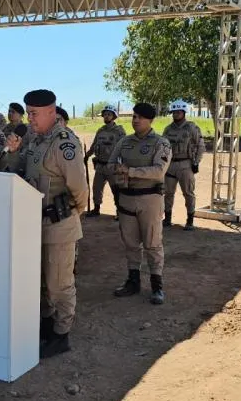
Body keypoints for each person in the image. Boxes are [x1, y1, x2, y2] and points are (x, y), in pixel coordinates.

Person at [4, 89, 88, 358]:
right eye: (28, 113)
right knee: (40, 280)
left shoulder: (64, 144)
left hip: (59, 223)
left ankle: (61, 335)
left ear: (51, 112)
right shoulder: (35, 140)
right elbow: (21, 171)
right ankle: (46, 325)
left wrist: (70, 215)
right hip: (33, 222)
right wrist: (14, 152)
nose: (29, 119)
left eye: (34, 114)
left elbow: (80, 189)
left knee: (59, 284)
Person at [109, 103, 172, 304]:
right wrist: (117, 171)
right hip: (126, 199)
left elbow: (158, 171)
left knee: (152, 243)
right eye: (134, 116)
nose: (135, 120)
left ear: (150, 120)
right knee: (130, 243)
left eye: (140, 117)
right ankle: (133, 281)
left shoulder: (160, 143)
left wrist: (130, 171)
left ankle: (157, 286)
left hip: (150, 199)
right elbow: (111, 164)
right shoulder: (124, 142)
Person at [162, 100, 203, 230]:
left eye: (178, 112)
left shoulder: (192, 128)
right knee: (168, 193)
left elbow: (200, 146)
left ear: (184, 113)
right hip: (170, 165)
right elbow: (163, 147)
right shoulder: (168, 129)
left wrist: (196, 162)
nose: (176, 114)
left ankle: (190, 220)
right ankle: (167, 218)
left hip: (186, 164)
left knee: (188, 193)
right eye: (174, 112)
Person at [85, 104, 126, 218]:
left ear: (114, 116)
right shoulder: (100, 131)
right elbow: (94, 145)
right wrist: (87, 155)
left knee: (116, 190)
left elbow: (124, 147)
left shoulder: (119, 131)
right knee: (96, 188)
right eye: (105, 114)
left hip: (113, 166)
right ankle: (96, 209)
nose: (106, 116)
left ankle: (119, 211)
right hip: (100, 165)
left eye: (109, 114)